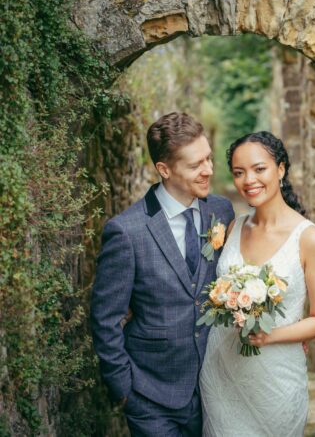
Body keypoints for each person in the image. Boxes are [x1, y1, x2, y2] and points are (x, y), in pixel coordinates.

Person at [90, 112, 235, 436]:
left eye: (209, 159)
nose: (209, 170)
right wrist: (124, 390)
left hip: (216, 391)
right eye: (196, 164)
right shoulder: (126, 232)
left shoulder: (221, 212)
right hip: (151, 396)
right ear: (164, 169)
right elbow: (105, 318)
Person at [199, 131, 315, 436]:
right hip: (221, 370)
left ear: (281, 169)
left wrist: (270, 335)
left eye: (259, 169)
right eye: (239, 172)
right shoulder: (234, 227)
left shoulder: (309, 239)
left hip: (275, 378)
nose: (249, 180)